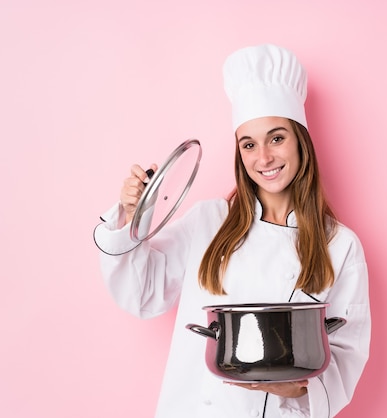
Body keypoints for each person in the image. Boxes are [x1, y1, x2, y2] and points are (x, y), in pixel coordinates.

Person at [94, 44, 371, 418]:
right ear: (239, 153)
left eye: (277, 138)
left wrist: (293, 389)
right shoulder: (208, 221)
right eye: (249, 144)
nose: (264, 158)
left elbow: (346, 356)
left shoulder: (340, 245)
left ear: (300, 140)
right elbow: (141, 294)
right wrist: (132, 216)